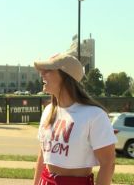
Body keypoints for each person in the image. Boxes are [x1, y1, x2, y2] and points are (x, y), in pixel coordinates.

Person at [32, 53, 117, 185]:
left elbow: (108, 163)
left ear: (66, 77)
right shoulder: (49, 111)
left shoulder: (94, 115)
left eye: (48, 70)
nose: (42, 74)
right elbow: (43, 156)